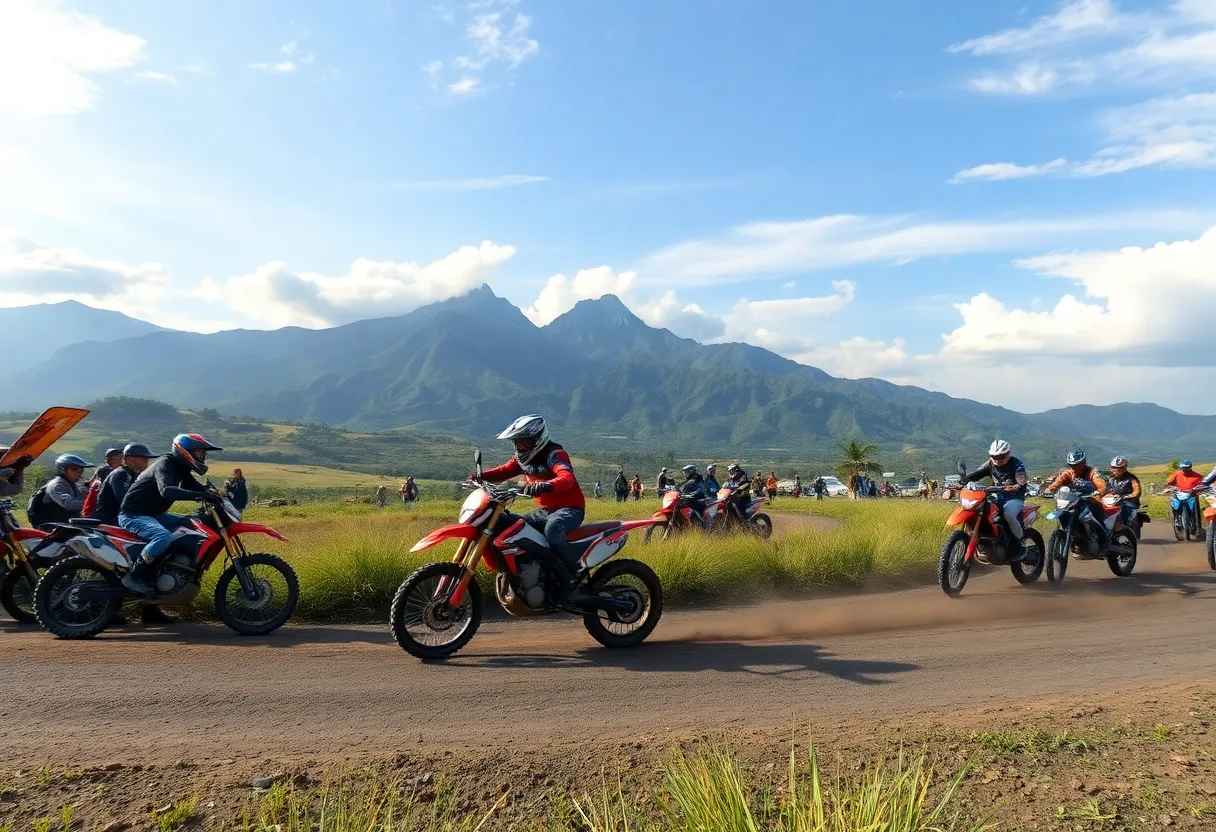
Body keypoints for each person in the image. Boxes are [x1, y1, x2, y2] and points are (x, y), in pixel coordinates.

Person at [119, 434, 225, 594]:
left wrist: (216, 495)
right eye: (199, 452)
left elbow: (196, 487)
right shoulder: (166, 463)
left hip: (155, 514)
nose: (202, 456)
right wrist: (199, 496)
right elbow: (167, 491)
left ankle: (164, 572)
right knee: (162, 536)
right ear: (185, 450)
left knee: (189, 526)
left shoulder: (181, 468)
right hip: (133, 514)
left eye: (203, 454)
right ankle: (136, 575)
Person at [480, 414, 586, 566]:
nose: (521, 446)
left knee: (553, 529)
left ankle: (573, 569)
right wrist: (480, 476)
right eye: (517, 442)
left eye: (525, 441)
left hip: (570, 510)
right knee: (513, 526)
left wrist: (546, 485)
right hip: (544, 511)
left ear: (538, 438)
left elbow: (566, 478)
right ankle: (533, 568)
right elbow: (504, 471)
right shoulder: (522, 459)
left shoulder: (554, 454)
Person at [96, 443, 177, 625]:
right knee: (141, 556)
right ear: (130, 459)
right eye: (143, 458)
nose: (147, 461)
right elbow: (126, 503)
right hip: (113, 522)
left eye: (147, 458)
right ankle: (108, 610)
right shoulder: (120, 475)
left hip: (126, 521)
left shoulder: (135, 476)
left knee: (156, 558)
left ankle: (150, 610)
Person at [966, 439, 1032, 561]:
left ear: (1008, 453)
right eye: (994, 456)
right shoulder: (990, 464)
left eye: (1001, 456)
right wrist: (962, 481)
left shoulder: (1017, 464)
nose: (998, 459)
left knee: (1008, 514)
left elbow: (1021, 480)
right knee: (978, 510)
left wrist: (1016, 486)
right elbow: (976, 474)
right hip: (996, 496)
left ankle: (1021, 543)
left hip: (1014, 498)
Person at [1045, 448, 1109, 549]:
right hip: (1073, 502)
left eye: (1077, 465)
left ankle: (1105, 541)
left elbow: (1100, 484)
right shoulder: (1067, 473)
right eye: (1071, 465)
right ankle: (1073, 537)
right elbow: (1056, 483)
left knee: (1089, 517)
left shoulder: (1093, 472)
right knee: (1063, 513)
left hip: (1091, 501)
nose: (1074, 467)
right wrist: (1048, 490)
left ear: (1084, 463)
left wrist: (1098, 491)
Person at [28, 453, 94, 527]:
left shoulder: (73, 485)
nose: (79, 473)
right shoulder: (56, 485)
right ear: (63, 470)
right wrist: (91, 504)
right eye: (74, 469)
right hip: (50, 525)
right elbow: (68, 504)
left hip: (64, 524)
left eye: (81, 471)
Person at [1105, 456, 1142, 528]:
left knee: (1125, 511)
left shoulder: (1132, 478)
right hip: (1114, 501)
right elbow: (1104, 489)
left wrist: (1127, 496)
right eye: (1114, 468)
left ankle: (1128, 529)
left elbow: (1137, 491)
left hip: (1130, 502)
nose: (1115, 470)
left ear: (1124, 468)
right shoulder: (1110, 478)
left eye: (1118, 468)